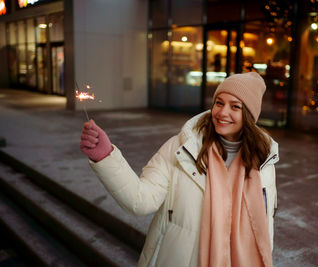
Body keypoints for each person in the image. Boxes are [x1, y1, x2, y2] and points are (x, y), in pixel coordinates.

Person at [80, 72, 279, 267]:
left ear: (249, 115)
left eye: (235, 106)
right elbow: (140, 201)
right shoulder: (181, 148)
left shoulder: (263, 161)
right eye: (219, 102)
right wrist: (106, 157)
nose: (222, 112)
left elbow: (264, 226)